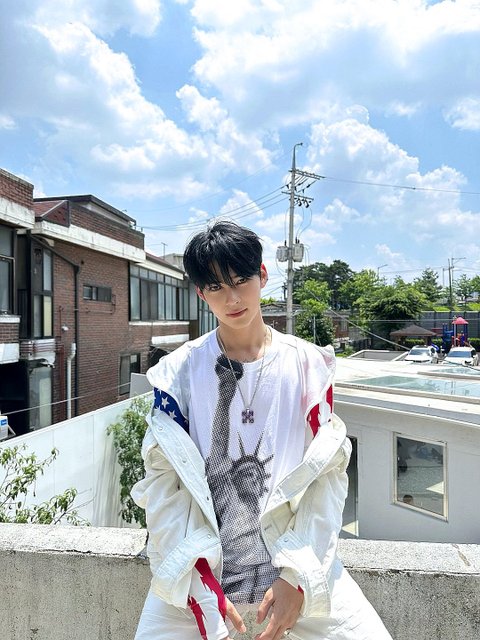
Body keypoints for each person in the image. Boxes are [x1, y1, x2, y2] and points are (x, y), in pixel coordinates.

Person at [131, 221, 392, 640]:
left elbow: (328, 478)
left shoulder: (310, 367)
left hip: (297, 565)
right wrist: (199, 584)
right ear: (201, 293)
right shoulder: (176, 374)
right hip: (197, 575)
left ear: (263, 276)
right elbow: (161, 485)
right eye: (216, 287)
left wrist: (297, 577)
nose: (232, 298)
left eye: (241, 281)